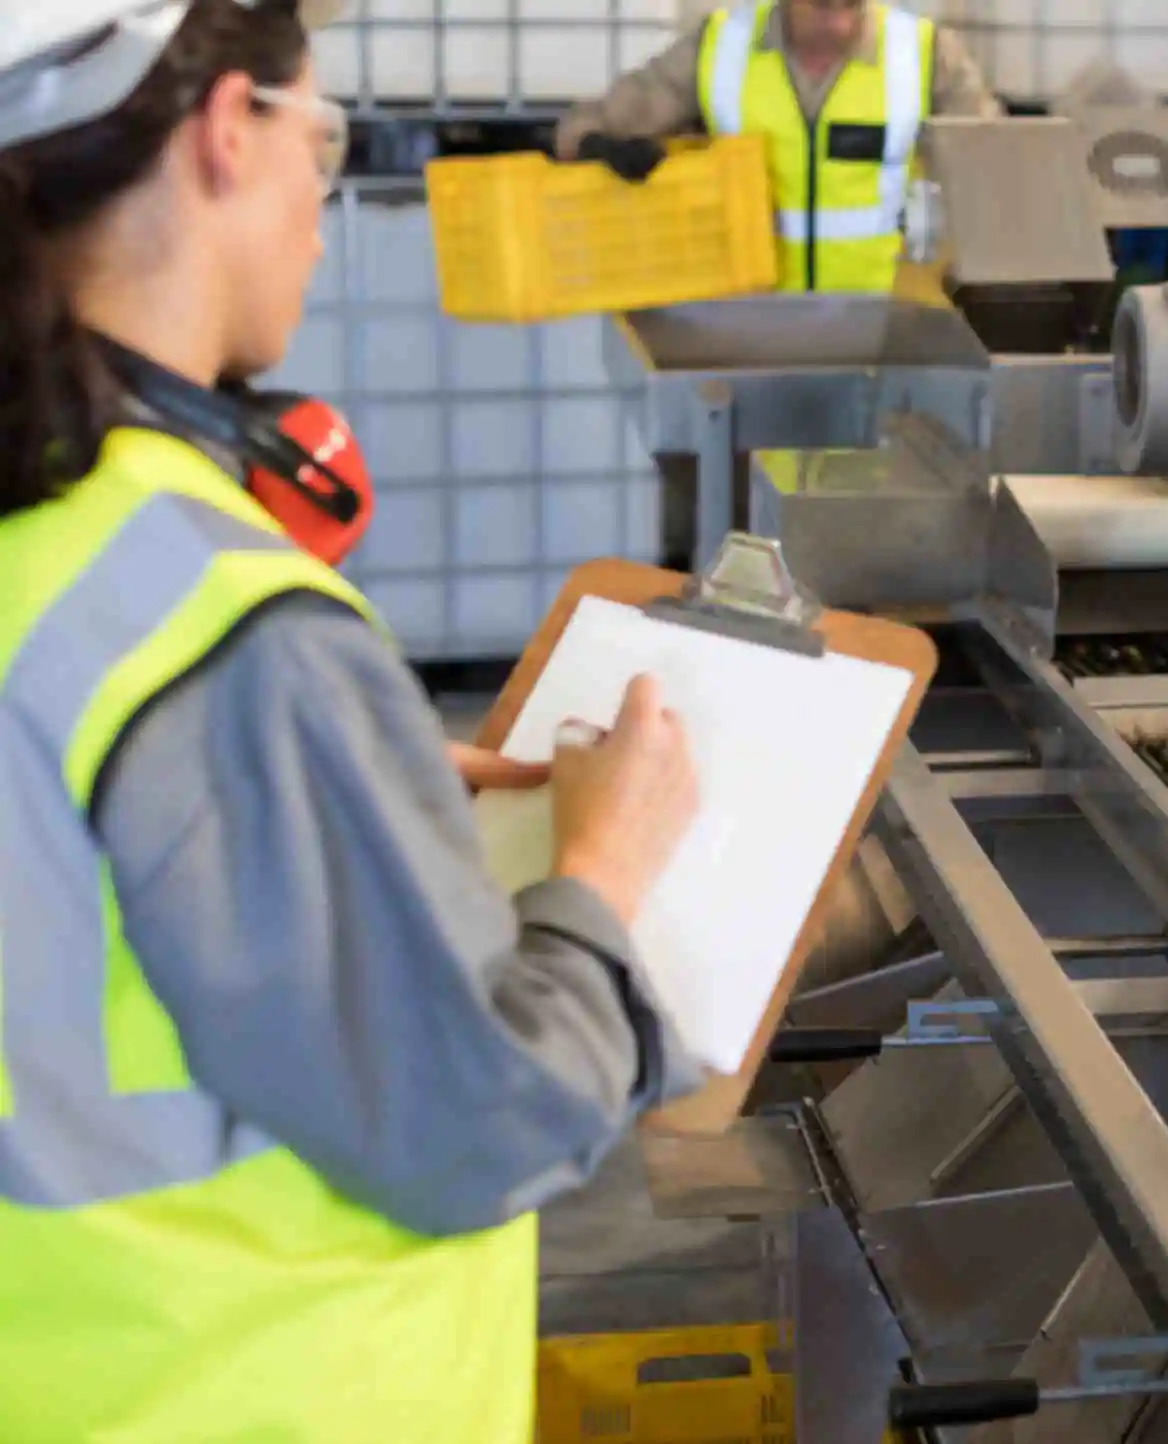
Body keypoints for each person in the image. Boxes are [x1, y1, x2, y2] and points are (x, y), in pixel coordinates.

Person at [0, 2, 706, 1439]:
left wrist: (328, 799)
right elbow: (473, 1123)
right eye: (323, 139)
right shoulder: (212, 620)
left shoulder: (50, 543)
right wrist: (604, 870)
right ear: (223, 132)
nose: (322, 201)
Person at [556, 0, 1001, 293]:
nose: (839, 19)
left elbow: (1002, 161)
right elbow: (585, 123)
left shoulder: (924, 53)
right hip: (751, 334)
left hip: (890, 335)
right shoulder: (720, 47)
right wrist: (596, 145)